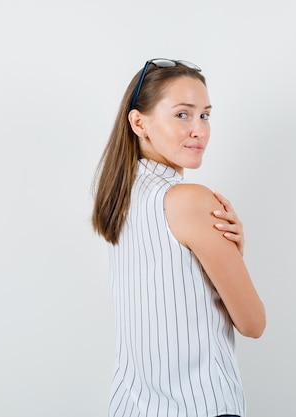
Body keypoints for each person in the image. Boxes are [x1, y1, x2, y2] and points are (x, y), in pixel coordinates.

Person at [91, 58, 266, 417]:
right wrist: (236, 250)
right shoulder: (190, 201)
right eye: (183, 114)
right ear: (139, 122)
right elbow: (253, 323)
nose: (199, 130)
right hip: (200, 407)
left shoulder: (118, 199)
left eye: (205, 115)